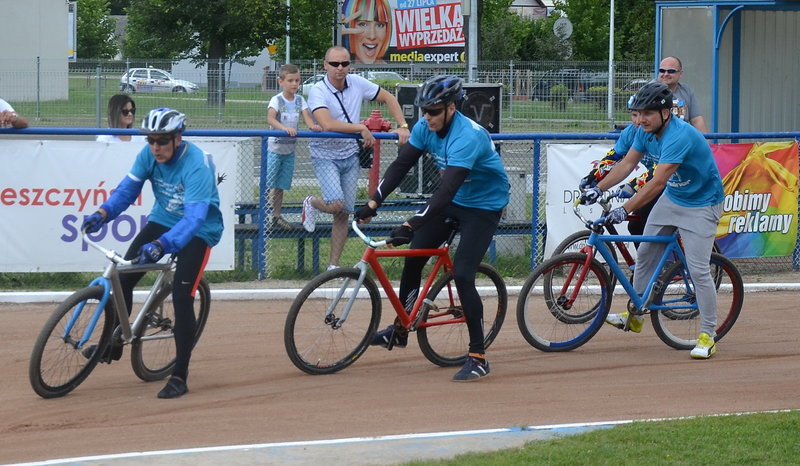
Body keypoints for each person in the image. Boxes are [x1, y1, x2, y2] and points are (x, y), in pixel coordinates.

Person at [354, 75, 510, 381]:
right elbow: (401, 165)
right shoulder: (426, 126)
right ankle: (400, 330)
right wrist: (374, 202)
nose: (427, 116)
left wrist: (413, 222)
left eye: (434, 110)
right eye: (424, 110)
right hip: (455, 199)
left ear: (452, 108)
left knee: (464, 273)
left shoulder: (468, 136)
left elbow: (446, 190)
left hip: (484, 206)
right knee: (414, 257)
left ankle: (478, 356)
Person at [81, 108, 224, 398]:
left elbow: (195, 218)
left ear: (177, 138)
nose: (155, 147)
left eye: (162, 141)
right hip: (163, 219)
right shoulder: (148, 155)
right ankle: (114, 343)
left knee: (182, 297)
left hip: (199, 230)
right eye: (151, 141)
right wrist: (103, 212)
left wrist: (162, 245)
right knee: (122, 279)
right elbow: (127, 190)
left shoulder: (197, 164)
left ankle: (180, 375)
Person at [579, 81, 724, 359]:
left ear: (666, 113)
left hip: (702, 204)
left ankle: (708, 333)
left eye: (647, 113)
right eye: (638, 113)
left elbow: (657, 182)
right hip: (675, 197)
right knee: (646, 253)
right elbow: (626, 164)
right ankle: (636, 314)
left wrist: (625, 209)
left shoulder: (680, 136)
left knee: (698, 270)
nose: (641, 119)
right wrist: (598, 188)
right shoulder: (643, 132)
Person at [304, 45, 410, 270]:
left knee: (344, 213)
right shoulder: (317, 90)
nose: (339, 68)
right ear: (325, 65)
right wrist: (361, 128)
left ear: (349, 66)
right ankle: (311, 202)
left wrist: (402, 126)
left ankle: (333, 266)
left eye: (344, 63)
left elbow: (389, 97)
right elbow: (327, 124)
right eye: (334, 64)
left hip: (349, 154)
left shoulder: (358, 83)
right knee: (335, 203)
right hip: (325, 155)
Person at [579, 95, 657, 239]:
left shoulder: (659, 133)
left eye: (643, 114)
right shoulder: (631, 133)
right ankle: (647, 262)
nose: (638, 120)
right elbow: (614, 158)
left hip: (673, 182)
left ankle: (657, 261)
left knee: (648, 224)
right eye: (634, 115)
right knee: (635, 226)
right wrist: (593, 177)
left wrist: (634, 185)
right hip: (654, 182)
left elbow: (660, 171)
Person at [266, 63, 321, 230]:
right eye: (290, 80)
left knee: (281, 185)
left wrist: (313, 126)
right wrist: (284, 129)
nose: (294, 84)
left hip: (289, 150)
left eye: (297, 80)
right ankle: (263, 214)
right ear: (281, 81)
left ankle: (276, 215)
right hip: (275, 148)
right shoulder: (276, 100)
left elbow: (307, 118)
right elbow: (270, 119)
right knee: (268, 183)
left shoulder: (300, 100)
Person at [657, 56, 709, 133]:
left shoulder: (687, 91)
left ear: (680, 74)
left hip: (682, 139)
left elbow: (697, 120)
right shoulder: (649, 91)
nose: (665, 74)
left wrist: (707, 143)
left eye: (671, 71)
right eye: (662, 70)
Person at [340, 0, 392, 64]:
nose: (372, 36)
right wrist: (335, 33)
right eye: (363, 24)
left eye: (380, 25)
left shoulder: (391, 73)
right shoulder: (340, 69)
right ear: (349, 25)